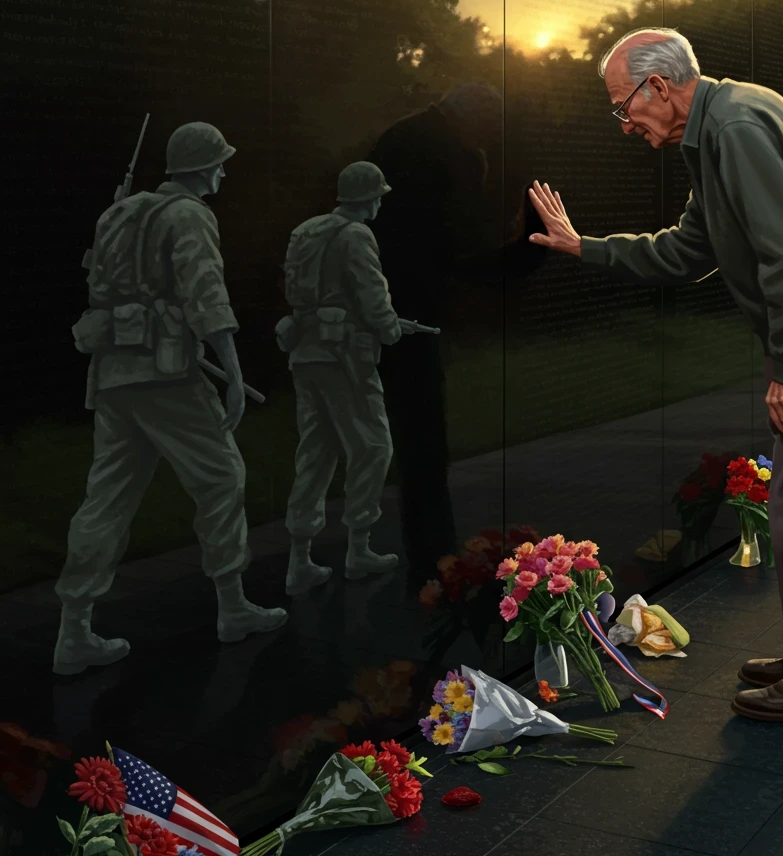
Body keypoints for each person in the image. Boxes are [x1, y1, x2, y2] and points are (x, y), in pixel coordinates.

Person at [526, 28, 783, 723]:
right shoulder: (716, 131)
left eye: (624, 105)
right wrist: (586, 248)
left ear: (659, 87)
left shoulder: (739, 129)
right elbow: (689, 250)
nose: (625, 121)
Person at [56, 122, 288, 676]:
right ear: (203, 167)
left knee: (106, 497)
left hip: (114, 376)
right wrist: (232, 372)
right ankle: (232, 608)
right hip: (165, 377)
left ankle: (73, 632)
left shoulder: (119, 213)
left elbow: (102, 285)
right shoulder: (189, 215)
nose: (225, 171)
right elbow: (206, 295)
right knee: (222, 476)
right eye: (220, 162)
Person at [367, 83, 546, 589]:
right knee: (417, 435)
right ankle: (433, 560)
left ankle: (431, 552)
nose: (488, 136)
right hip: (404, 310)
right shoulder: (441, 150)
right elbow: (456, 242)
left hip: (400, 303)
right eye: (487, 125)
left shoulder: (415, 139)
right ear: (471, 118)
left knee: (407, 437)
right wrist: (519, 243)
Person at [277, 161, 411, 592]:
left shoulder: (306, 230)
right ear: (368, 198)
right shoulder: (357, 235)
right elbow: (372, 294)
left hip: (307, 353)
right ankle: (359, 549)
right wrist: (390, 329)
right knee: (372, 446)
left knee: (316, 452)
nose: (378, 204)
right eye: (377, 197)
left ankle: (299, 561)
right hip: (345, 358)